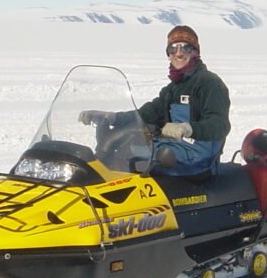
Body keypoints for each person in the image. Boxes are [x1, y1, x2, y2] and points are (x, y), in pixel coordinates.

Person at [80, 25, 231, 177]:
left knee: (129, 153)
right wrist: (113, 117)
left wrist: (188, 128)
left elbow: (220, 125)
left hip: (197, 158)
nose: (178, 53)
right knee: (125, 145)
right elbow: (147, 114)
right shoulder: (173, 88)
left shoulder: (209, 83)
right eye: (173, 48)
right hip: (173, 148)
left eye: (185, 48)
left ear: (195, 52)